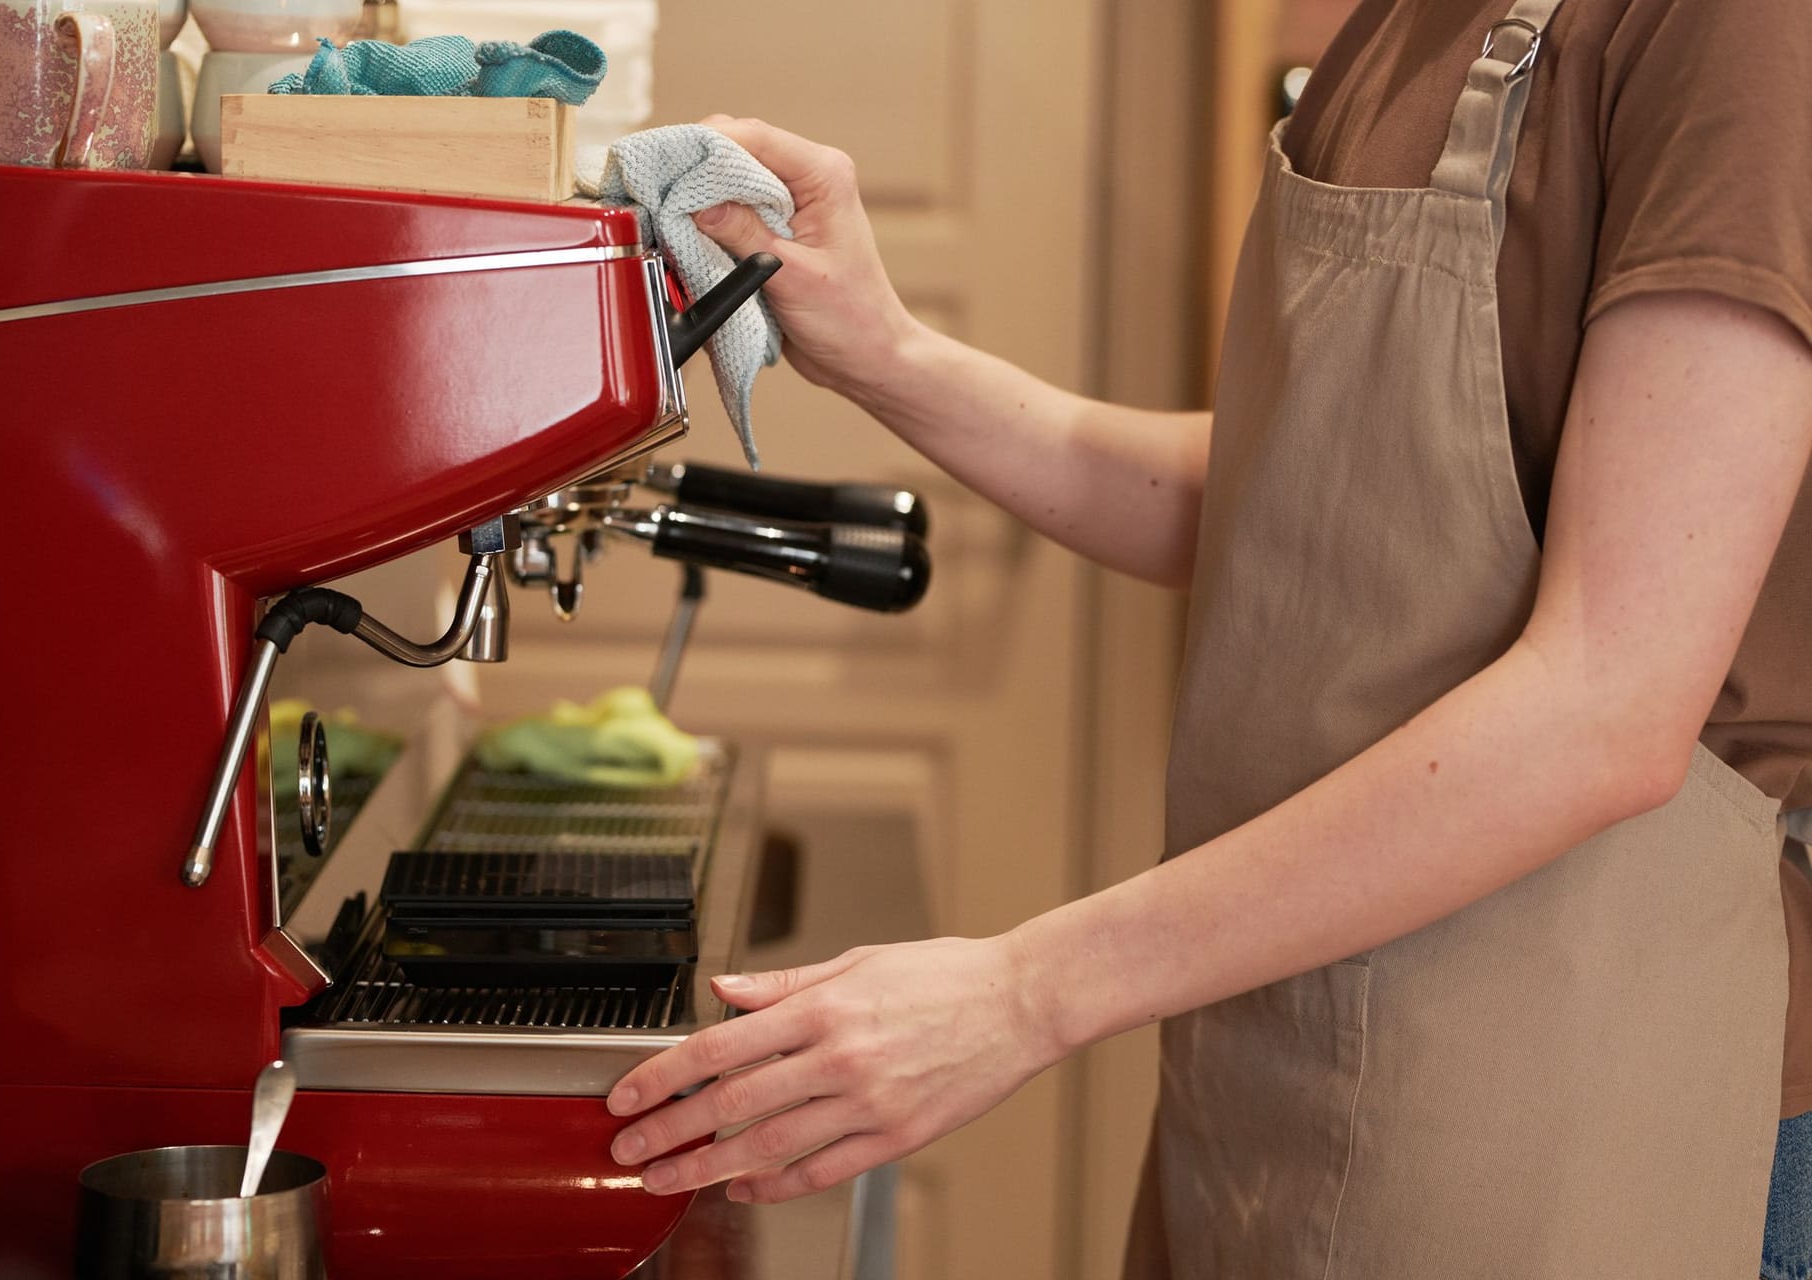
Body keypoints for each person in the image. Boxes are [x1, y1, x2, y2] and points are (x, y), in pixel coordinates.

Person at [603, 0, 1812, 1273]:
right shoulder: (1403, 27)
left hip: (1590, 1096)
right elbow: (1282, 503)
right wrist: (888, 355)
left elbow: (1608, 705)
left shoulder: (1735, 31)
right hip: (1280, 1043)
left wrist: (1025, 990)